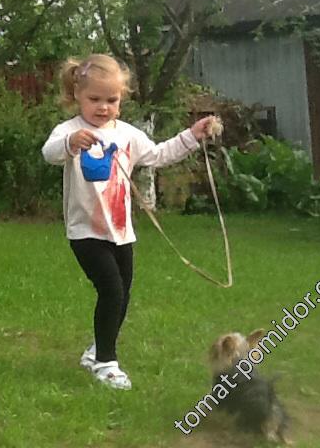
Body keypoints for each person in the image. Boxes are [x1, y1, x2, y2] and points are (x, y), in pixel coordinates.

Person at [41, 54, 217, 390]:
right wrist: (69, 144)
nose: (103, 107)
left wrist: (192, 136)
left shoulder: (127, 135)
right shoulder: (70, 131)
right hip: (86, 232)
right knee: (111, 289)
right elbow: (49, 153)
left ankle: (97, 349)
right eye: (94, 99)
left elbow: (159, 155)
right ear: (77, 95)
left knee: (122, 294)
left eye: (112, 100)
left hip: (121, 232)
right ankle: (106, 363)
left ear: (121, 100)